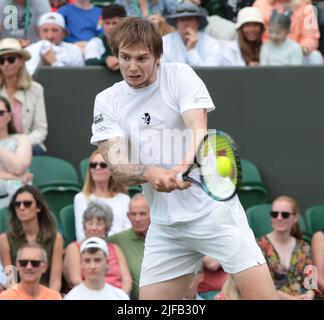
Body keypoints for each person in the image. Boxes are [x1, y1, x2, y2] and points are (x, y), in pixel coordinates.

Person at [90, 16, 278, 300]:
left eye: (142, 58)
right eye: (125, 58)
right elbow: (118, 165)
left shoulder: (180, 76)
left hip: (214, 213)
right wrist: (150, 173)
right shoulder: (107, 100)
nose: (132, 67)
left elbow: (198, 129)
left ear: (157, 56)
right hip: (166, 226)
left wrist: (183, 165)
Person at [0, 185, 63, 292]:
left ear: (38, 207)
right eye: (17, 204)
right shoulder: (4, 239)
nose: (22, 207)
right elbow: (11, 281)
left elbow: (55, 281)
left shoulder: (56, 239)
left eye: (27, 203)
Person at [63, 201, 132, 294]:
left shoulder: (115, 248)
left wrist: (120, 296)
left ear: (106, 227)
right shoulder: (74, 248)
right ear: (84, 226)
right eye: (90, 223)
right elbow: (75, 281)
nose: (94, 228)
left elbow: (127, 280)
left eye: (99, 224)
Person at [257, 196, 315, 300]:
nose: (279, 218)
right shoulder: (259, 246)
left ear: (295, 218)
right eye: (274, 214)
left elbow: (311, 280)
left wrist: (310, 294)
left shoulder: (304, 246)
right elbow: (260, 285)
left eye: (285, 214)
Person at [0, 38, 48, 155]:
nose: (6, 64)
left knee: (37, 151)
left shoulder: (35, 89)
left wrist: (21, 144)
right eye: (1, 61)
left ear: (21, 61)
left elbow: (41, 129)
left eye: (11, 59)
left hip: (28, 146)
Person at [74, 149, 131, 241]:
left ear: (112, 170)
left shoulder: (124, 199)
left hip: (121, 248)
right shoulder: (81, 198)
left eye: (103, 165)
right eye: (93, 165)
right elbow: (81, 235)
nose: (97, 167)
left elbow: (129, 231)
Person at [108, 193, 151, 300]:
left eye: (142, 214)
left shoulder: (165, 238)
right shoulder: (117, 240)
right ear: (128, 216)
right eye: (133, 214)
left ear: (153, 213)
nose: (137, 219)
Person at [253, 0, 323, 65]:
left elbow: (310, 37)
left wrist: (297, 50)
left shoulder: (306, 5)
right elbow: (255, 34)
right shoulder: (260, 4)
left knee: (315, 56)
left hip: (298, 51)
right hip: (270, 50)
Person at [64, 237, 130, 300]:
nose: (92, 266)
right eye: (87, 261)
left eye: (97, 260)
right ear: (81, 263)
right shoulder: (71, 297)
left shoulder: (120, 296)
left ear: (107, 263)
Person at [0, 95, 32, 209]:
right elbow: (18, 173)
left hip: (20, 196)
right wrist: (16, 177)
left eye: (1, 113)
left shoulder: (21, 138)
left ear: (9, 116)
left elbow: (19, 167)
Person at [84, 4, 126, 70]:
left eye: (114, 23)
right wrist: (106, 60)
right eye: (107, 23)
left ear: (123, 25)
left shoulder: (131, 42)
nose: (110, 27)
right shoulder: (96, 41)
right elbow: (89, 62)